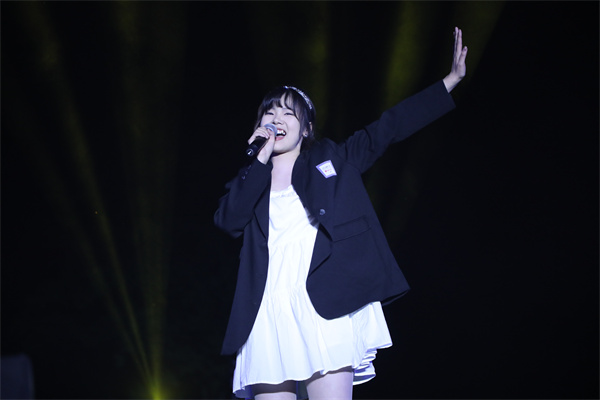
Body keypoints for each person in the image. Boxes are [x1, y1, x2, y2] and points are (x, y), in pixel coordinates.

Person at [214, 27, 468, 400]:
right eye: (270, 111)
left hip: (325, 300)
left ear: (306, 129)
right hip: (267, 308)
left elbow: (388, 128)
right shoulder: (251, 180)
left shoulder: (332, 158)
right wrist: (259, 160)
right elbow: (228, 220)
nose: (277, 117)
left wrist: (450, 81)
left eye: (288, 112)